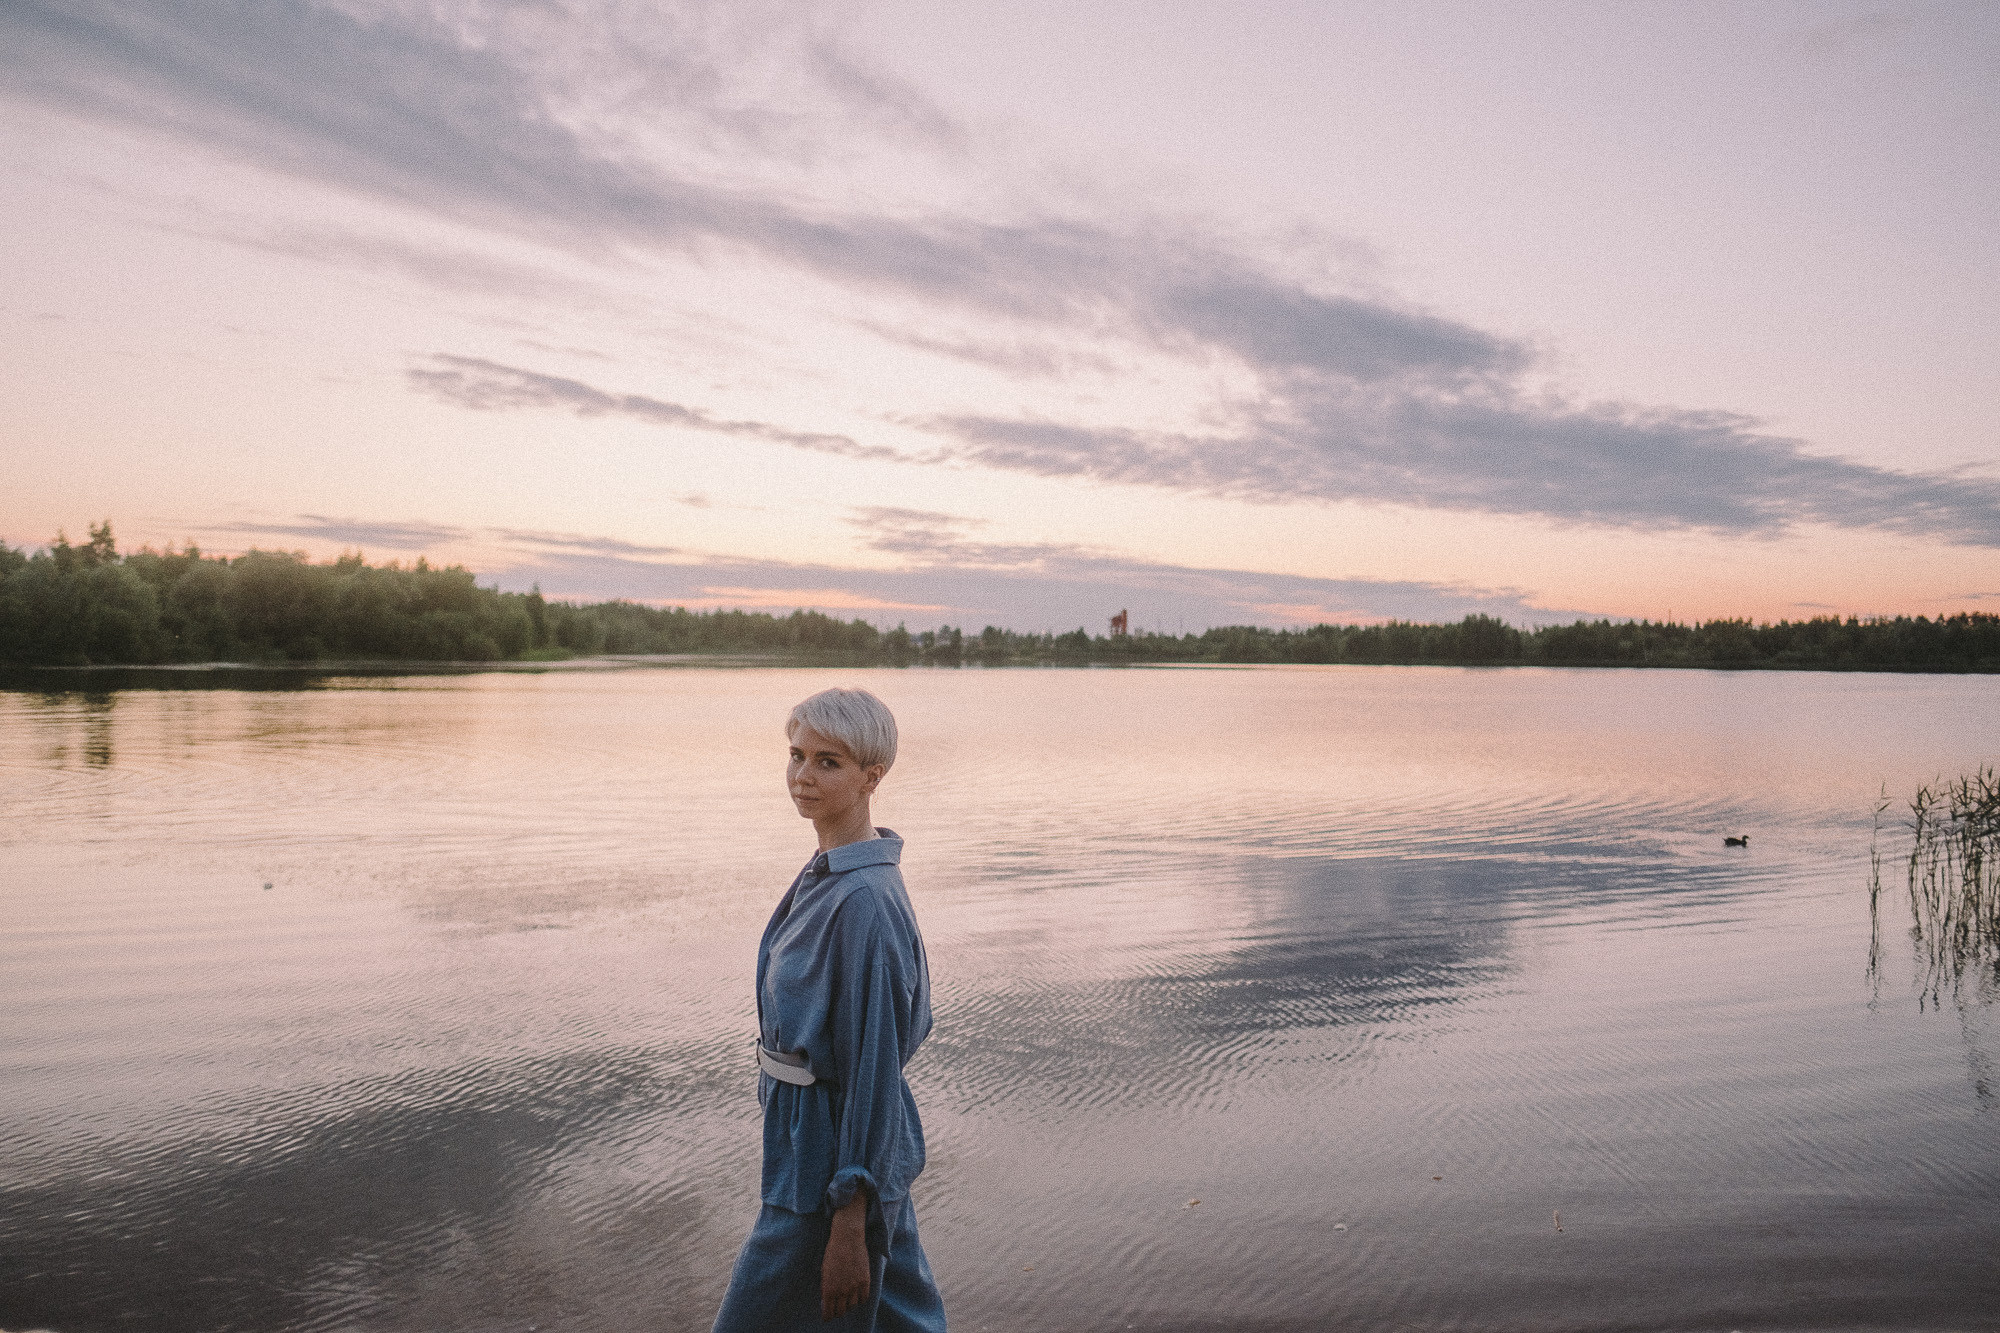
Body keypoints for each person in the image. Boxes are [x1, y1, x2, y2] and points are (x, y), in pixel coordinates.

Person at [712, 687, 947, 1332]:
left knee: (761, 1315)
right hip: (802, 1133)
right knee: (897, 1309)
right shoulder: (828, 873)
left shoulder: (863, 901)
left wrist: (849, 1215)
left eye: (828, 762)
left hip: (831, 1148)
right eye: (796, 756)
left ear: (874, 776)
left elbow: (874, 1066)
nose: (802, 776)